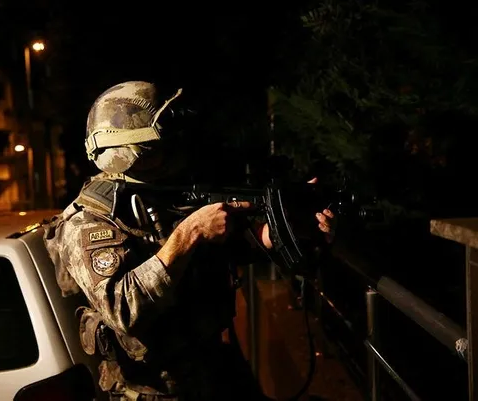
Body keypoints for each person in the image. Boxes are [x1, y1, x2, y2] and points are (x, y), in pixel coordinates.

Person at [43, 81, 335, 400]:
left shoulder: (158, 195)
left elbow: (218, 255)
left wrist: (277, 231)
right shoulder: (89, 221)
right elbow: (122, 309)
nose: (173, 153)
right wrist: (191, 232)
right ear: (130, 152)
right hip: (155, 392)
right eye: (158, 147)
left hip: (215, 370)